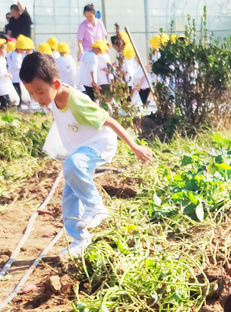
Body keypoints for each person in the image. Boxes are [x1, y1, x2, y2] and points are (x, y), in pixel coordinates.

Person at [19, 51, 153, 259]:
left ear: (55, 84)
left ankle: (96, 207)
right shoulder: (53, 99)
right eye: (32, 94)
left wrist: (135, 147)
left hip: (99, 145)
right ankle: (80, 241)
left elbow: (110, 121)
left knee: (72, 166)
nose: (37, 99)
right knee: (69, 199)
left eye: (40, 92)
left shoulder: (77, 100)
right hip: (80, 150)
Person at [9, 35, 32, 105]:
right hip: (15, 76)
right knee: (17, 91)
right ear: (18, 48)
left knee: (20, 91)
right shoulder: (14, 55)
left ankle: (20, 104)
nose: (23, 51)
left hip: (18, 76)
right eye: (22, 49)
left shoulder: (18, 54)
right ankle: (18, 106)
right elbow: (17, 66)